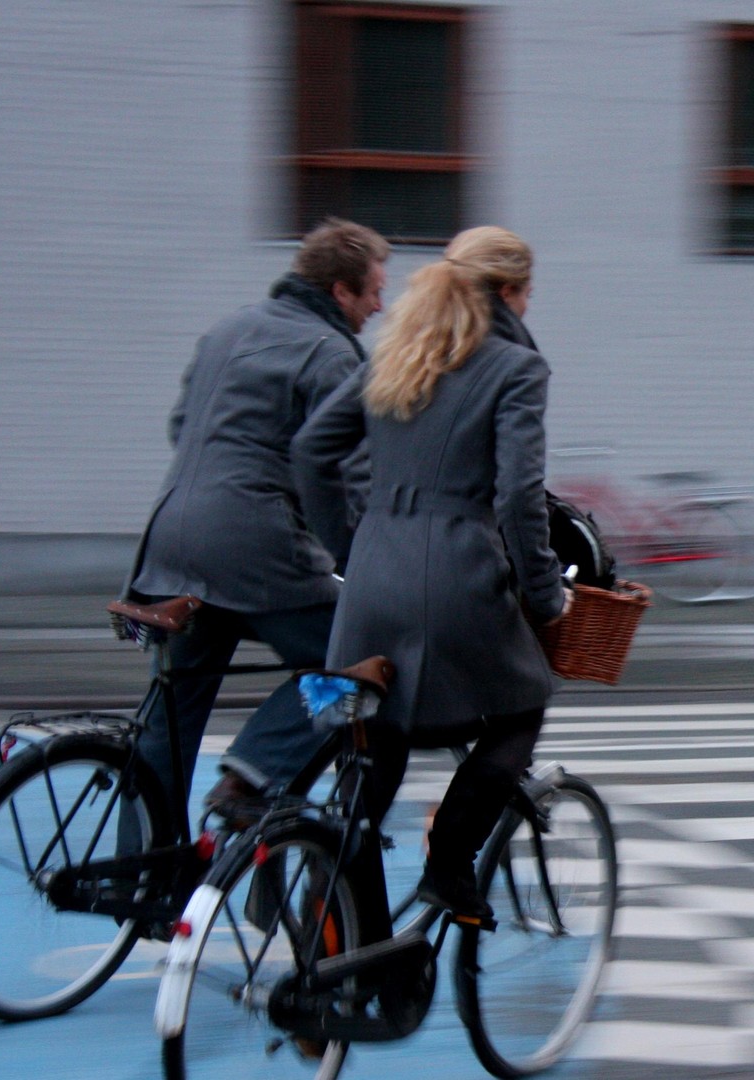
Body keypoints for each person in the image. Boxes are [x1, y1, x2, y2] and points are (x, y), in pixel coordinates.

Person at [290, 225, 573, 917]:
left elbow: (310, 451)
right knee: (523, 705)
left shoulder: (397, 354)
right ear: (508, 292)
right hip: (455, 581)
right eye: (529, 294)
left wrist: (350, 547)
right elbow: (517, 499)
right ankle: (448, 861)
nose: (529, 307)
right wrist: (546, 596)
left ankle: (348, 941)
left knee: (372, 754)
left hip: (370, 585)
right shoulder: (515, 368)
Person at [124, 218, 389, 833]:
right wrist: (359, 556)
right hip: (255, 546)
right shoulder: (331, 354)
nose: (380, 306)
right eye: (374, 291)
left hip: (170, 540)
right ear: (340, 291)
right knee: (359, 657)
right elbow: (341, 469)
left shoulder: (228, 330)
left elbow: (182, 427)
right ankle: (253, 771)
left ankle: (139, 872)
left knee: (172, 713)